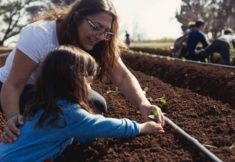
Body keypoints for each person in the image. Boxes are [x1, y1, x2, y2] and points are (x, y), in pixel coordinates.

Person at [0, 0, 165, 143]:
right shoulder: (39, 35)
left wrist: (143, 103)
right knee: (59, 114)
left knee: (96, 105)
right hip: (20, 89)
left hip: (54, 90)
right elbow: (13, 84)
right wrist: (13, 117)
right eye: (95, 27)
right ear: (77, 17)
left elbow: (122, 76)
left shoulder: (101, 42)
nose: (99, 36)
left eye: (106, 32)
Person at [0, 46, 164, 161]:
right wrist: (142, 127)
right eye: (89, 82)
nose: (90, 87)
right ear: (75, 81)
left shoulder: (44, 103)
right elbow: (108, 126)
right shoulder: (68, 114)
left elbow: (82, 133)